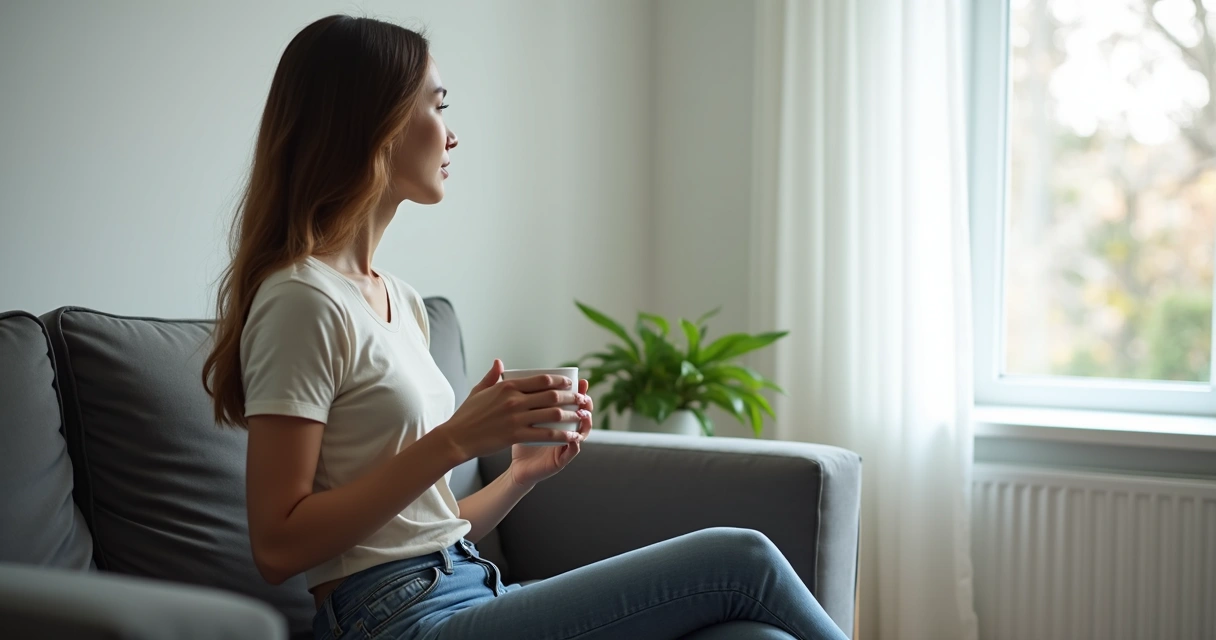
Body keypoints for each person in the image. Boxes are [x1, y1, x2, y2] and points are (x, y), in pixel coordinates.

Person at [202, 14, 849, 640]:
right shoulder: (302, 299)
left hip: (468, 588)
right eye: (438, 106)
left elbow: (426, 531)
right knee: (740, 558)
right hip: (393, 620)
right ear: (374, 123)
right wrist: (456, 439)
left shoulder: (401, 300)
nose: (452, 136)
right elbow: (278, 545)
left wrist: (519, 477)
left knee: (752, 635)